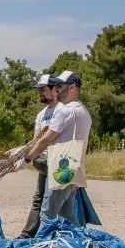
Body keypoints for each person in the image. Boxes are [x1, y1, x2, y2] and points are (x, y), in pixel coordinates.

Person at [25, 70, 92, 226]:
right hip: (75, 167)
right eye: (55, 86)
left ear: (72, 88)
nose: (56, 89)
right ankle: (83, 239)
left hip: (62, 168)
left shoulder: (65, 111)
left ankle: (41, 242)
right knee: (66, 213)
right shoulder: (84, 111)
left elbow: (44, 141)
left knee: (47, 214)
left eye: (60, 86)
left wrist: (27, 158)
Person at [18, 74, 62, 238]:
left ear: (53, 89)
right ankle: (27, 235)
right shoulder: (41, 114)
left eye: (43, 89)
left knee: (51, 203)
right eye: (39, 90)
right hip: (43, 162)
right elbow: (36, 140)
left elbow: (47, 139)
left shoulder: (62, 109)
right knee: (39, 199)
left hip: (59, 163)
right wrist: (23, 157)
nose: (40, 93)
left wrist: (27, 159)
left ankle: (48, 237)